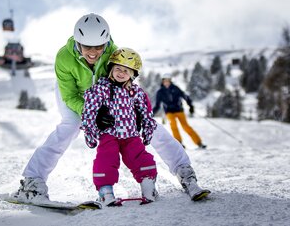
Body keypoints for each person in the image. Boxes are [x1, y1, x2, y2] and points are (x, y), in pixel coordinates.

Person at [17, 13, 210, 202]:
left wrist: (133, 109)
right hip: (76, 95)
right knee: (70, 127)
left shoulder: (113, 52)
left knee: (148, 126)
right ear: (78, 42)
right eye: (87, 47)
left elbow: (125, 79)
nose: (93, 52)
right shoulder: (64, 57)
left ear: (106, 41)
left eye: (99, 46)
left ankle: (185, 171)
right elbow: (69, 95)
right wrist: (92, 113)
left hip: (108, 96)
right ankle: (32, 182)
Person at [81, 47, 158, 205]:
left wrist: (148, 130)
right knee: (106, 160)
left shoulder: (135, 92)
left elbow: (146, 111)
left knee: (140, 158)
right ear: (111, 68)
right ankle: (105, 192)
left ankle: (148, 187)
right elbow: (89, 110)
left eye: (126, 71)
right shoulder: (101, 89)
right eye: (118, 68)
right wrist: (90, 132)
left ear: (133, 74)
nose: (121, 73)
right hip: (109, 134)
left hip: (131, 135)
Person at [153, 74, 207, 149]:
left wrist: (190, 105)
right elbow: (157, 105)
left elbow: (185, 96)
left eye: (168, 81)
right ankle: (179, 143)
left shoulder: (176, 89)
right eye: (165, 81)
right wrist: (151, 113)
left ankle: (199, 143)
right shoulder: (160, 92)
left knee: (186, 126)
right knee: (173, 125)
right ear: (162, 82)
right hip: (169, 112)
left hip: (179, 110)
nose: (166, 83)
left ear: (170, 81)